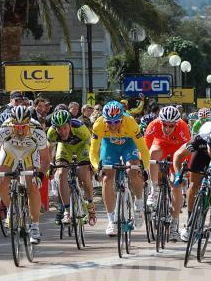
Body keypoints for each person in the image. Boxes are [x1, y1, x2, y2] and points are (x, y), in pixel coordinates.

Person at [0, 105, 50, 243]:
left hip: (29, 152)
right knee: (1, 183)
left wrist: (40, 176)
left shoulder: (37, 130)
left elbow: (46, 158)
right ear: (11, 123)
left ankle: (35, 226)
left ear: (29, 123)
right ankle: (11, 209)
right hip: (9, 152)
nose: (20, 130)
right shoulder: (4, 129)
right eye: (16, 126)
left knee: (32, 185)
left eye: (23, 127)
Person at [89, 101, 149, 237]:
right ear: (104, 119)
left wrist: (143, 168)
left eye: (116, 122)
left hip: (128, 144)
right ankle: (111, 220)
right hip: (109, 146)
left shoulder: (131, 122)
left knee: (133, 170)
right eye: (109, 122)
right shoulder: (98, 125)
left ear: (122, 118)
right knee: (106, 177)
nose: (113, 125)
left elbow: (144, 150)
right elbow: (93, 151)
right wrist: (96, 167)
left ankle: (139, 204)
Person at [144, 106, 191, 241]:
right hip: (161, 147)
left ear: (176, 124)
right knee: (153, 153)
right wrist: (144, 166)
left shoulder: (182, 127)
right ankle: (154, 190)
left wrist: (183, 171)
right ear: (160, 121)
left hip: (178, 151)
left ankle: (174, 225)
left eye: (171, 126)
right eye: (164, 125)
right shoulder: (153, 125)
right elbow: (145, 147)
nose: (167, 129)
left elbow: (188, 150)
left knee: (176, 186)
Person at [47, 109, 96, 226]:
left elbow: (93, 146)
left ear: (70, 124)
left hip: (82, 147)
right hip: (65, 148)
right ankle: (67, 211)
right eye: (59, 129)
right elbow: (48, 151)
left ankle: (91, 206)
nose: (62, 132)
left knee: (84, 174)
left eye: (65, 127)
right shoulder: (51, 133)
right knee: (60, 174)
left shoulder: (80, 128)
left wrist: (94, 165)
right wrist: (50, 166)